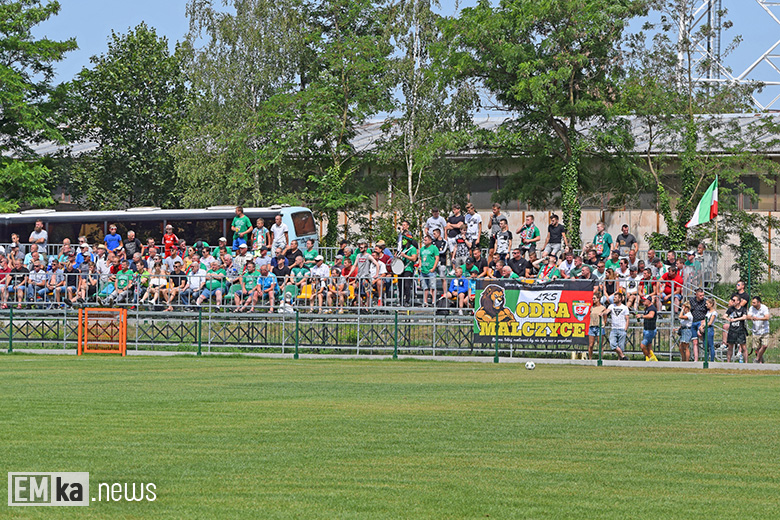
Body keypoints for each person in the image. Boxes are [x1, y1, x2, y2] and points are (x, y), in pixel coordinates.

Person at [601, 292, 629, 361]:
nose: (614, 299)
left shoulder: (624, 308)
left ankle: (620, 361)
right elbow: (607, 311)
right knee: (612, 344)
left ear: (620, 299)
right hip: (614, 329)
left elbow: (627, 319)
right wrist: (602, 313)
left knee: (621, 346)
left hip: (622, 328)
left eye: (616, 297)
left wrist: (625, 328)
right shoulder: (611, 306)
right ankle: (623, 356)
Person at [724, 295, 747, 363]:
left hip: (740, 330)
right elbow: (724, 315)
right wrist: (728, 318)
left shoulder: (743, 309)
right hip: (732, 330)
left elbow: (744, 317)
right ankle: (728, 362)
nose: (732, 302)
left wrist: (735, 319)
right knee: (730, 347)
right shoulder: (731, 309)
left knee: (744, 347)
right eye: (732, 300)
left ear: (738, 301)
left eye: (734, 300)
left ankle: (746, 363)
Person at [747, 296, 770, 363]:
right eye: (752, 302)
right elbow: (748, 316)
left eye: (754, 303)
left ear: (758, 302)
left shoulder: (764, 308)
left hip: (764, 330)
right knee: (757, 348)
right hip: (756, 330)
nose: (752, 304)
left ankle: (757, 359)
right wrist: (752, 317)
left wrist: (758, 318)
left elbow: (767, 317)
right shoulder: (751, 308)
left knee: (765, 346)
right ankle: (760, 362)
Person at [419, 234, 440, 306]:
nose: (424, 242)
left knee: (433, 286)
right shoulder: (422, 249)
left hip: (431, 270)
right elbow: (420, 258)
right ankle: (425, 301)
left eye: (426, 240)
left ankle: (433, 301)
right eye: (424, 240)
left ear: (430, 241)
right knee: (425, 287)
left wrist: (434, 268)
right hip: (423, 270)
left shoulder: (434, 248)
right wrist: (420, 267)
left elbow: (437, 258)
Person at [636, 296, 659, 361]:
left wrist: (641, 316)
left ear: (649, 301)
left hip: (650, 331)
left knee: (642, 346)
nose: (643, 302)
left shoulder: (652, 308)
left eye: (645, 300)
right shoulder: (647, 308)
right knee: (649, 347)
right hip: (646, 330)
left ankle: (649, 357)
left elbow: (651, 315)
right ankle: (654, 360)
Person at [588, 293, 606, 360]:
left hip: (599, 327)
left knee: (600, 344)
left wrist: (603, 325)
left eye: (594, 298)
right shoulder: (592, 308)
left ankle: (600, 358)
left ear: (598, 299)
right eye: (592, 298)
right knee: (591, 345)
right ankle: (590, 358)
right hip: (592, 326)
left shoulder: (603, 308)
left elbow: (605, 318)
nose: (593, 300)